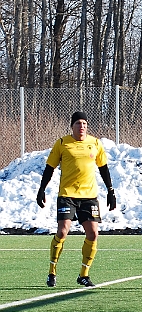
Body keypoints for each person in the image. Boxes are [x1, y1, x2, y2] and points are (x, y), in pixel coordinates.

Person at [36, 111, 118, 288]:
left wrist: (111, 191)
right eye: (78, 123)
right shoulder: (62, 143)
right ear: (72, 126)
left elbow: (104, 168)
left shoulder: (95, 143)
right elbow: (50, 168)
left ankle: (84, 275)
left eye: (84, 124)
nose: (82, 127)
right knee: (63, 231)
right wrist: (42, 189)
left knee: (93, 234)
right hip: (67, 195)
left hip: (89, 197)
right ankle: (52, 271)